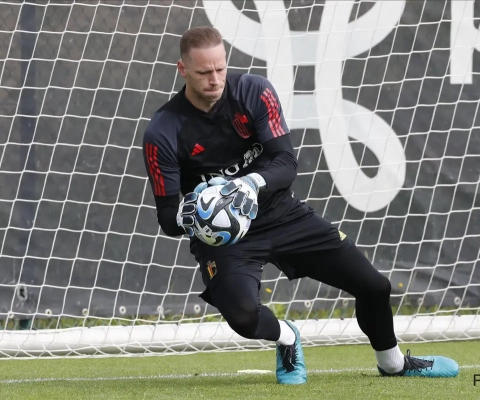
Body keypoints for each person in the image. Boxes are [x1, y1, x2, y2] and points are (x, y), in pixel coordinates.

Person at [142, 26, 459, 385]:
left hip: (282, 214)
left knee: (374, 286)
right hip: (227, 238)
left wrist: (249, 183)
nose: (215, 80)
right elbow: (168, 218)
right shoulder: (163, 132)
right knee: (244, 318)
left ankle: (393, 363)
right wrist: (200, 209)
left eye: (220, 68)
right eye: (204, 72)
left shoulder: (253, 92)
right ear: (183, 70)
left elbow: (286, 163)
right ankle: (287, 338)